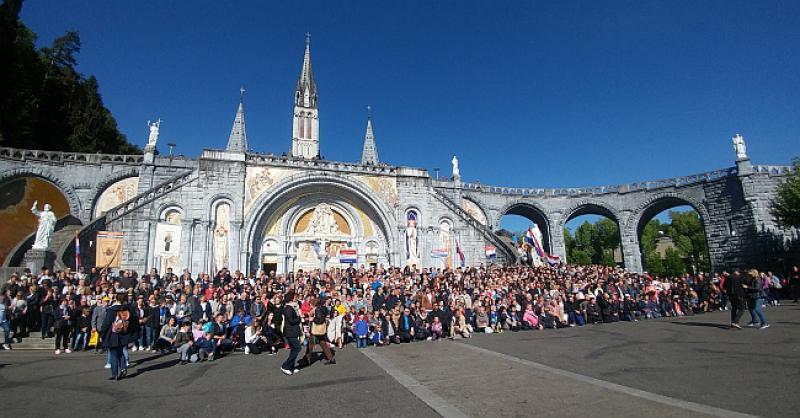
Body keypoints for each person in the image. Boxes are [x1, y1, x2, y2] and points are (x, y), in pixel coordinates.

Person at [100, 293, 139, 381]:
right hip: (125, 334)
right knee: (121, 351)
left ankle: (115, 374)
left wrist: (102, 334)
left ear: (115, 299)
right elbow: (135, 321)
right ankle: (123, 367)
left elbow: (106, 323)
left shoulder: (112, 310)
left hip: (113, 334)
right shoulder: (129, 309)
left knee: (113, 354)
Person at [304, 298, 335, 366]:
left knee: (310, 344)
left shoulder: (317, 309)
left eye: (310, 304)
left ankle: (307, 359)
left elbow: (319, 320)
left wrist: (312, 319)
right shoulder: (323, 308)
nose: (310, 305)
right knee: (323, 343)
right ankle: (331, 358)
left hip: (316, 330)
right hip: (321, 329)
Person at [280, 290, 303, 375]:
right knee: (297, 348)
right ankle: (285, 366)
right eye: (295, 297)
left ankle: (291, 366)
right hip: (290, 332)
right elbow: (291, 320)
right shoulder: (288, 308)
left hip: (293, 331)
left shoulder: (293, 307)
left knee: (294, 349)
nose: (296, 298)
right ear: (291, 298)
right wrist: (299, 318)